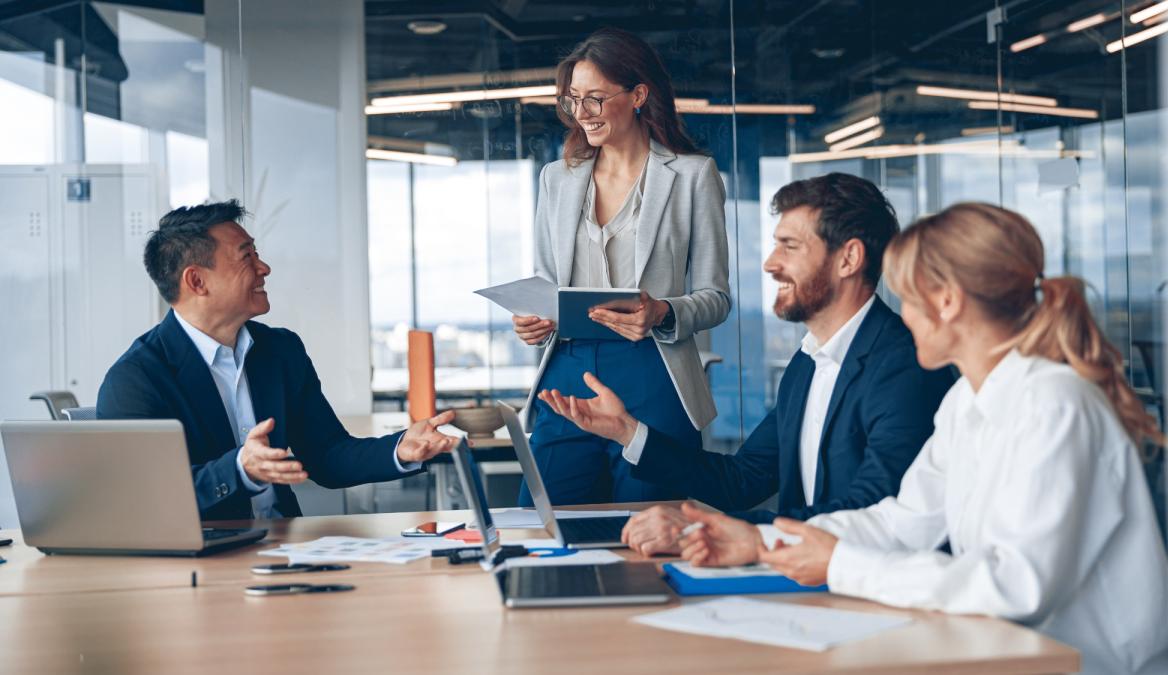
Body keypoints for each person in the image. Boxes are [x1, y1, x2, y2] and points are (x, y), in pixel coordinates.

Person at [679, 203, 1168, 674]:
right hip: (1011, 652)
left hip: (1087, 664)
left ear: (947, 302)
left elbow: (1016, 584)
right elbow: (902, 523)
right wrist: (763, 542)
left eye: (908, 299)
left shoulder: (1055, 402)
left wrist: (839, 563)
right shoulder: (967, 401)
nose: (903, 317)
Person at [539, 173, 954, 555]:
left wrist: (702, 529)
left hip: (865, 591)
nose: (770, 263)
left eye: (789, 246)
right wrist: (626, 431)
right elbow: (742, 480)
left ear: (848, 259)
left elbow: (871, 510)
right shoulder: (808, 363)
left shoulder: (906, 367)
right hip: (801, 577)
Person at [98, 201, 458, 520]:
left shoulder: (280, 350)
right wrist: (240, 470)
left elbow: (327, 455)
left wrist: (400, 448)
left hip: (284, 549)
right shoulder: (136, 378)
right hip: (202, 562)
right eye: (247, 257)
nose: (264, 267)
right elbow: (144, 500)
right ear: (197, 281)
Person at [512, 27, 731, 506]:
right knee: (547, 523)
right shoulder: (558, 179)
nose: (582, 114)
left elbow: (716, 298)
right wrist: (535, 320)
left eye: (595, 99)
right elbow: (547, 283)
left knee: (649, 527)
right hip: (567, 370)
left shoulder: (693, 176)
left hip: (654, 368)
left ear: (638, 95)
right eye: (572, 100)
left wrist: (663, 312)